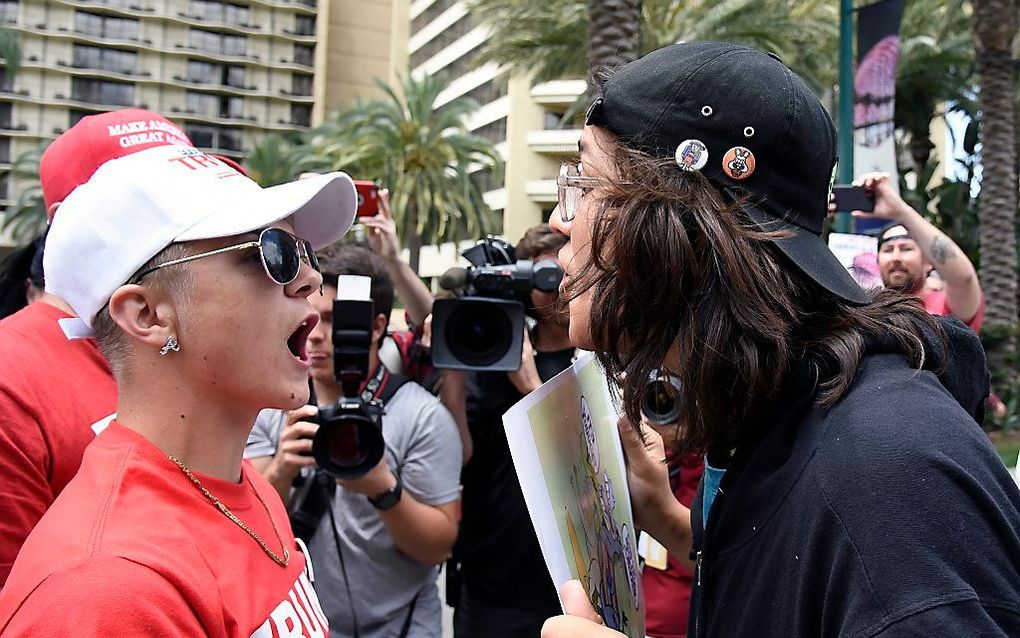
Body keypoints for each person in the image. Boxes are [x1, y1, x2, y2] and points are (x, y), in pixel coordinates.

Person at [542, 42, 1020, 637]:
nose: (561, 219)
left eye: (586, 181)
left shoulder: (884, 473)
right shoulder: (773, 421)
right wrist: (674, 522)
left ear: (675, 223)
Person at [0, 108, 358, 636]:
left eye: (306, 254)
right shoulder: (108, 594)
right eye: (272, 252)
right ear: (146, 314)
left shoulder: (242, 483)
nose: (309, 280)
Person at [246, 243, 462, 638]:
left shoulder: (422, 416)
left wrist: (383, 488)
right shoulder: (269, 406)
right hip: (298, 625)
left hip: (400, 627)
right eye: (307, 317)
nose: (314, 334)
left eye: (331, 320)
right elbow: (244, 530)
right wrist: (282, 468)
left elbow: (438, 547)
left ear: (377, 326)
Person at [452, 223, 577, 638]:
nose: (557, 290)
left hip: (567, 587)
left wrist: (530, 388)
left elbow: (589, 466)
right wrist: (452, 370)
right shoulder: (495, 356)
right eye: (544, 279)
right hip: (490, 584)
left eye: (563, 274)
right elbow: (461, 454)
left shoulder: (599, 362)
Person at [861, 172, 985, 331]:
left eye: (906, 249)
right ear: (877, 261)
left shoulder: (945, 306)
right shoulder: (869, 312)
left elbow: (963, 279)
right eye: (888, 249)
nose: (896, 257)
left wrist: (900, 211)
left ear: (928, 262)